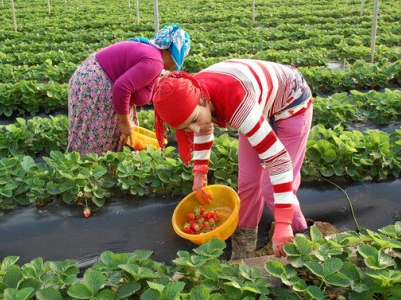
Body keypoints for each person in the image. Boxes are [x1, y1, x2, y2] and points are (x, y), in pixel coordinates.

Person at [152, 59, 314, 259]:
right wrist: (199, 172)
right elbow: (203, 126)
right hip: (258, 105)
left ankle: (301, 241)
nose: (193, 129)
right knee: (247, 184)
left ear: (203, 99)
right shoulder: (193, 94)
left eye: (194, 120)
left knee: (271, 188)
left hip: (291, 102)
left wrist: (282, 224)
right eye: (185, 128)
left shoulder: (237, 105)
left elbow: (279, 160)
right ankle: (244, 251)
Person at [67, 24, 190, 155]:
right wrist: (124, 123)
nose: (173, 66)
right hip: (96, 84)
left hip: (87, 79)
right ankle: (88, 168)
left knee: (92, 132)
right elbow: (121, 88)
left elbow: (138, 90)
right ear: (173, 53)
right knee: (97, 136)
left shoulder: (151, 52)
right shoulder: (155, 62)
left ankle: (94, 167)